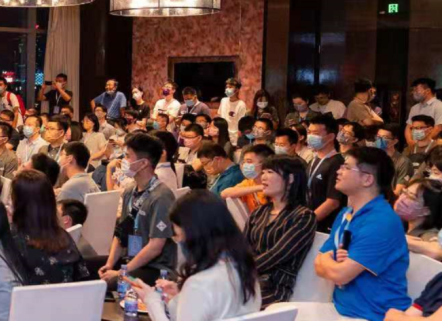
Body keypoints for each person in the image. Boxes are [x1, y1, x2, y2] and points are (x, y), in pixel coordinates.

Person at [280, 147, 410, 321]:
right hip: (342, 309)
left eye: (346, 167)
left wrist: (331, 263)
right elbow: (318, 264)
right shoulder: (346, 214)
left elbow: (340, 275)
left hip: (374, 315)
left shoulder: (381, 221)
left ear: (367, 179)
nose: (338, 171)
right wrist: (332, 265)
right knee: (277, 313)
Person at [129, 191, 261, 321]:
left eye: (178, 235)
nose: (178, 242)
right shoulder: (245, 269)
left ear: (194, 236)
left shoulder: (199, 283)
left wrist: (152, 301)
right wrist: (181, 298)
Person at [99, 133, 178, 285]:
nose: (123, 160)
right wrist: (109, 264)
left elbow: (155, 246)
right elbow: (120, 233)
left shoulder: (161, 196)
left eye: (128, 156)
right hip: (131, 259)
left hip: (155, 269)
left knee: (107, 283)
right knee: (86, 268)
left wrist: (121, 272)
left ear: (143, 163)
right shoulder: (130, 190)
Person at [244, 155, 317, 306]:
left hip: (273, 287)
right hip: (248, 280)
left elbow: (276, 255)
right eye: (263, 172)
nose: (263, 177)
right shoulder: (259, 212)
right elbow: (243, 246)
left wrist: (240, 270)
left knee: (221, 302)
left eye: (270, 172)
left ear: (290, 179)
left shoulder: (303, 216)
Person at [3, 169, 91, 283]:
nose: (8, 201)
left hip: (28, 294)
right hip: (70, 294)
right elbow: (82, 280)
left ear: (18, 203)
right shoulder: (63, 236)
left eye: (11, 197)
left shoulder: (11, 239)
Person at [306, 115, 347, 232]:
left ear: (331, 137)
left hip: (326, 227)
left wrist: (308, 223)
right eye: (309, 132)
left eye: (315, 133)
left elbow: (333, 202)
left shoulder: (337, 163)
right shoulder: (313, 160)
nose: (310, 136)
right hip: (310, 222)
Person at [222, 145, 275, 212]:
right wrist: (260, 187)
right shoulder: (249, 182)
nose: (245, 165)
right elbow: (224, 194)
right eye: (244, 162)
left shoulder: (276, 184)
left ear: (264, 163)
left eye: (249, 162)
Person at [378, 124, 414, 192]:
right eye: (378, 137)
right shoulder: (372, 158)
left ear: (394, 141)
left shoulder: (403, 162)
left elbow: (398, 191)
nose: (379, 140)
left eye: (384, 137)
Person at [408, 78, 442, 145]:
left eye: (416, 90)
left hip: (432, 146)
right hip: (414, 145)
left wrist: (423, 142)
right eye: (413, 90)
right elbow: (408, 127)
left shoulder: (439, 106)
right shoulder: (414, 108)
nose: (413, 93)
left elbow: (438, 128)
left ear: (427, 91)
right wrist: (410, 141)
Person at [405, 115, 441, 180]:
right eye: (414, 128)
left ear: (430, 129)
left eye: (420, 128)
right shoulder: (409, 148)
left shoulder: (437, 148)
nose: (416, 131)